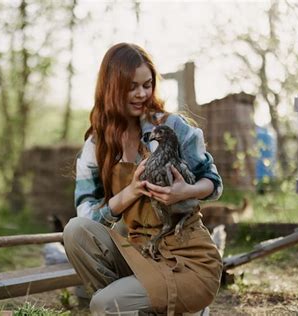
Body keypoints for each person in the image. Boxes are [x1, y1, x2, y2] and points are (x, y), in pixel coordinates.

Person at [63, 43, 223, 316]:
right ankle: (144, 304)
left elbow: (213, 183)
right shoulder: (97, 145)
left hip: (186, 257)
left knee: (104, 305)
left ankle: (173, 304)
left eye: (147, 85)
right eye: (131, 87)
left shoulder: (171, 127)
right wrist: (131, 192)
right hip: (140, 253)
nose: (141, 94)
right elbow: (87, 216)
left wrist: (185, 191)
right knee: (75, 231)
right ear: (111, 87)